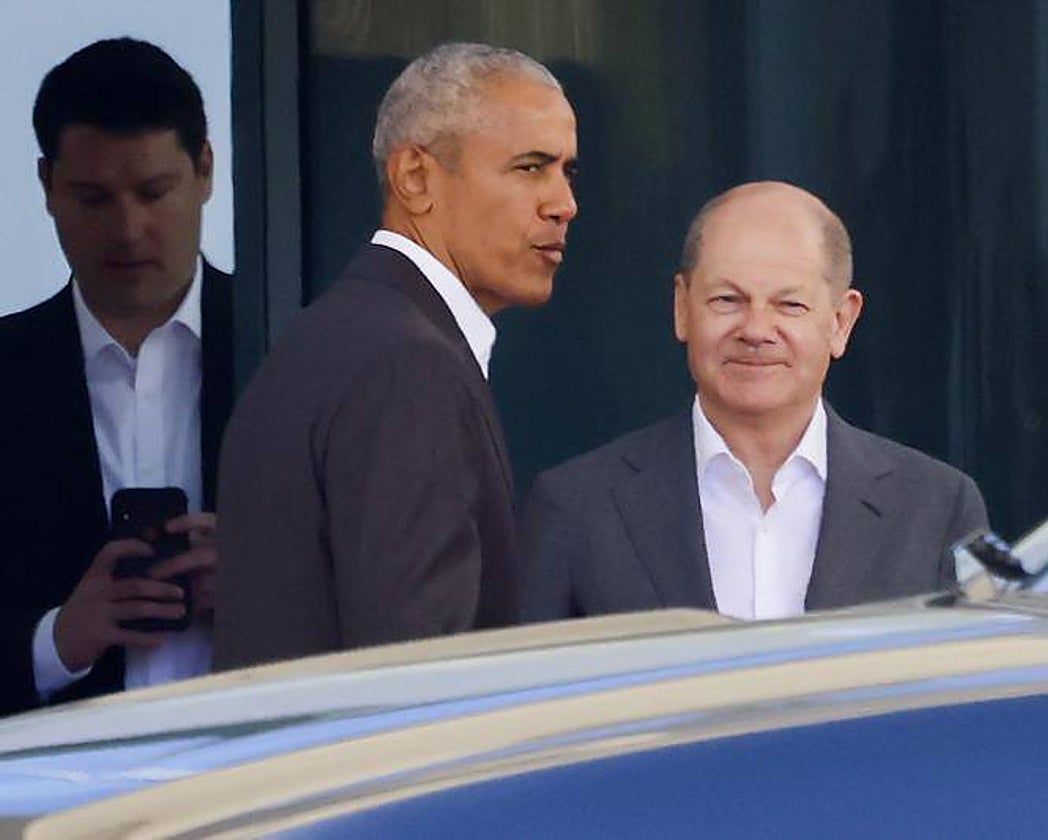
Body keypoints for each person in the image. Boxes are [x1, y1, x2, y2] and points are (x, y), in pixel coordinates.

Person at [214, 42, 578, 669]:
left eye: (568, 172)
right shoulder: (408, 366)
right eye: (530, 168)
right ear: (415, 178)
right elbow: (417, 677)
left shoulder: (345, 334)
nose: (563, 203)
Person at [519, 181, 987, 621]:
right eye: (727, 300)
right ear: (682, 308)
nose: (757, 330)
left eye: (790, 305)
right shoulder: (578, 506)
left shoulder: (937, 508)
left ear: (841, 322)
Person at [0, 38, 233, 715]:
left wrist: (273, 589)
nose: (128, 229)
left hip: (269, 767)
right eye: (94, 199)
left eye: (153, 193)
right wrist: (56, 641)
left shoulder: (296, 351)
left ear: (205, 170)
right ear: (47, 187)